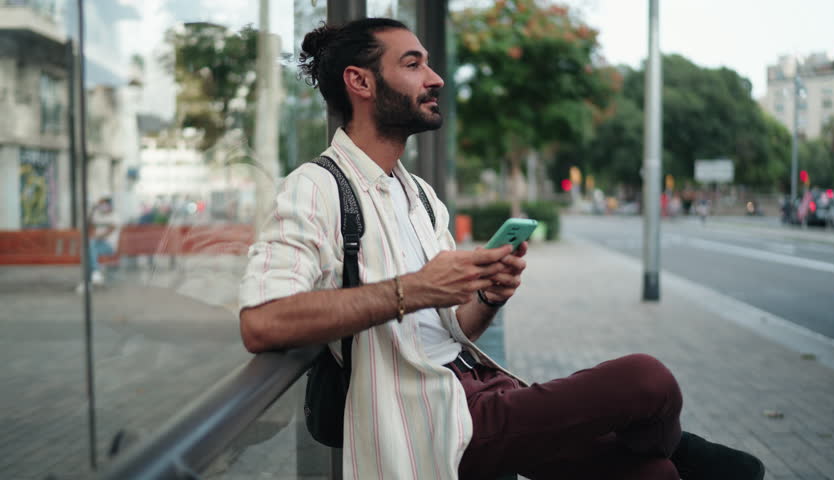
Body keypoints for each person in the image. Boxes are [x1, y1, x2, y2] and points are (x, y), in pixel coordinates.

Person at [239, 18, 765, 480]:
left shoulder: (417, 193)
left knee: (651, 472)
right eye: (413, 64)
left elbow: (448, 332)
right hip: (428, 417)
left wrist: (487, 298)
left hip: (481, 386)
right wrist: (413, 289)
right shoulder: (315, 186)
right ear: (360, 82)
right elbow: (262, 321)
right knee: (647, 380)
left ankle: (672, 454)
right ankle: (685, 447)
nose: (436, 78)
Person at [77, 197, 119, 293]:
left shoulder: (115, 216)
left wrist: (95, 238)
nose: (102, 207)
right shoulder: (97, 215)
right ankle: (94, 276)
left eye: (104, 204)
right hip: (96, 245)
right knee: (89, 250)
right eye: (100, 205)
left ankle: (88, 280)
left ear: (110, 205)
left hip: (110, 246)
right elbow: (87, 227)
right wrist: (92, 210)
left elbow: (109, 231)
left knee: (89, 247)